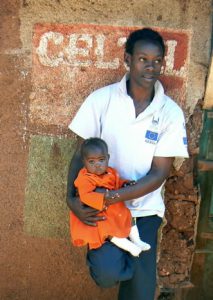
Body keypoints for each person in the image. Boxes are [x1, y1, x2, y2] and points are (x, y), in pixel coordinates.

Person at [67, 27, 189, 300]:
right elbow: (78, 156)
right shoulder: (102, 100)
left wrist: (112, 196)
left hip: (143, 211)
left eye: (157, 60)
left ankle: (136, 275)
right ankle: (122, 262)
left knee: (141, 293)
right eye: (143, 59)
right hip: (104, 212)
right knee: (108, 273)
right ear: (127, 59)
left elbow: (159, 173)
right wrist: (71, 199)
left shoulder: (169, 113)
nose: (150, 67)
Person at [70, 137, 151, 257]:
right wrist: (103, 199)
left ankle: (137, 240)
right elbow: (85, 196)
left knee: (129, 218)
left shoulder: (111, 172)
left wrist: (125, 183)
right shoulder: (84, 178)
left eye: (101, 160)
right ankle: (130, 247)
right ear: (84, 161)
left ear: (108, 158)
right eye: (91, 162)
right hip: (99, 212)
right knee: (108, 230)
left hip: (115, 208)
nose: (97, 165)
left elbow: (117, 182)